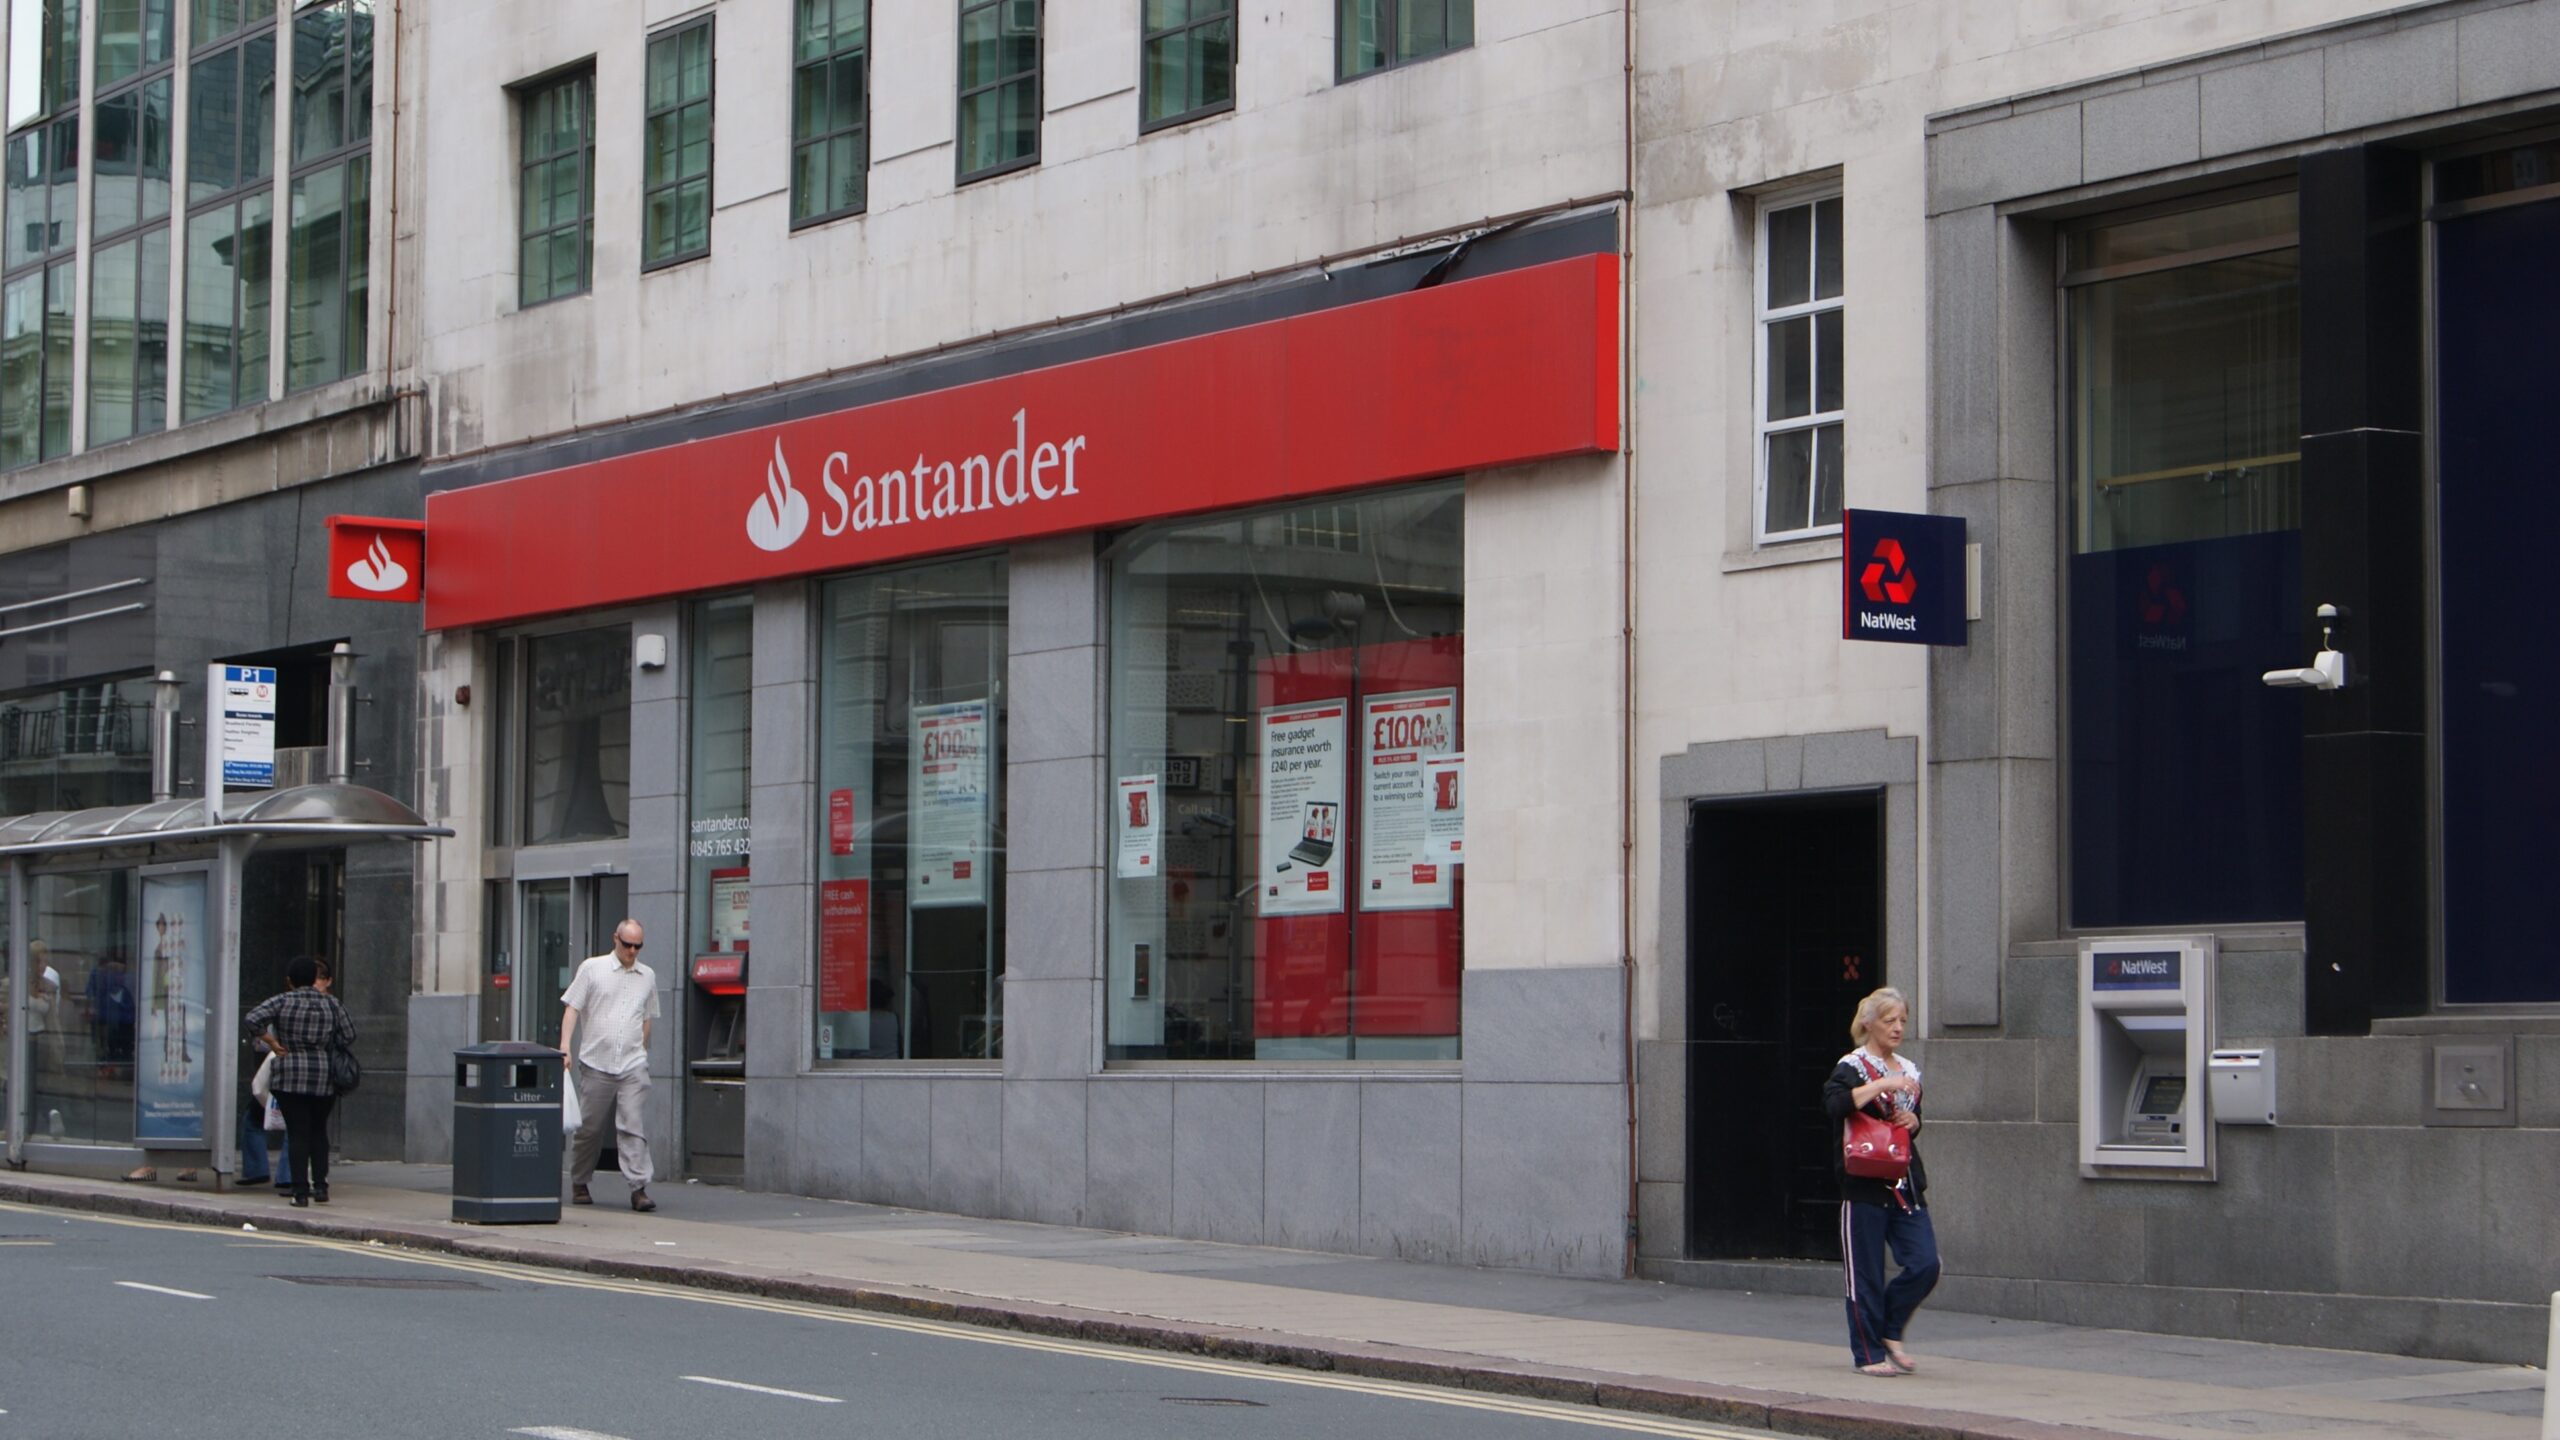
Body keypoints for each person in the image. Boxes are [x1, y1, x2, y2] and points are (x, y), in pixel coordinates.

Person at [1823, 985, 1940, 1378]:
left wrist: (1914, 1121)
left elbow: (1911, 1121)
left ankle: (1889, 1329)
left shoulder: (1908, 1069)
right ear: (1869, 1023)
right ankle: (1868, 1353)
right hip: (1863, 1184)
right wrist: (1881, 1085)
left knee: (1925, 1263)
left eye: (1903, 1020)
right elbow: (1834, 1105)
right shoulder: (1852, 1066)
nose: (1897, 1028)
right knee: (1866, 1274)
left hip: (1904, 1183)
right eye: (1890, 1020)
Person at [561, 920, 660, 1212]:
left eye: (637, 946)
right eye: (627, 944)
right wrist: (565, 1047)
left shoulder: (647, 976)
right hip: (596, 1063)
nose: (632, 951)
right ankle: (579, 1181)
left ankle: (638, 1187)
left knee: (631, 1124)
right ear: (615, 938)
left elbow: (647, 1017)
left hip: (632, 1063)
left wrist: (641, 1050)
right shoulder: (592, 968)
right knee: (589, 1128)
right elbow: (572, 1007)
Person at [242, 956, 356, 1207]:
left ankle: (299, 1192)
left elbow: (252, 1018)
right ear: (315, 978)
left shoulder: (283, 1000)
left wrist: (272, 1042)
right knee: (318, 1131)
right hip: (323, 1073)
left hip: (290, 1072)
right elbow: (349, 1034)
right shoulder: (332, 1004)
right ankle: (321, 1187)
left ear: (290, 981)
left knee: (297, 1133)